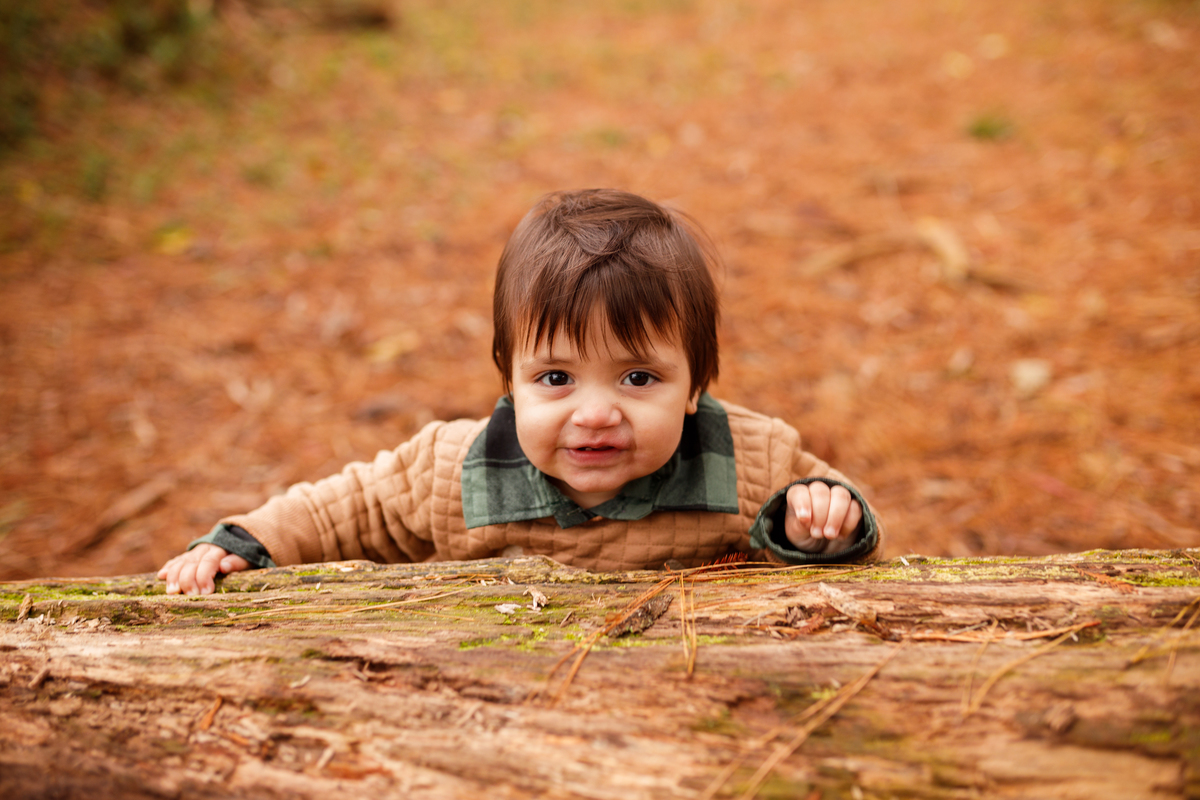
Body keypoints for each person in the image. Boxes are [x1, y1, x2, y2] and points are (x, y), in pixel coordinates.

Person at [159, 189, 882, 595]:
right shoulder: (454, 469)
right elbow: (345, 509)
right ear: (510, 379)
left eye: (638, 378)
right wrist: (246, 542)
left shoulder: (747, 460)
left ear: (695, 386)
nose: (595, 412)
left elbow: (847, 533)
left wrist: (818, 527)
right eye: (556, 378)